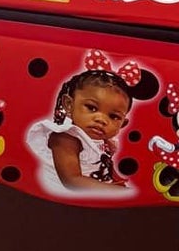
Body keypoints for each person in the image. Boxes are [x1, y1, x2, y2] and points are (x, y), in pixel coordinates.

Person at [27, 51, 147, 193]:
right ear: (69, 104)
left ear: (123, 124)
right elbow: (72, 180)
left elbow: (103, 167)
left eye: (113, 116)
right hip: (61, 200)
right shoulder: (66, 138)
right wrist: (121, 192)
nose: (101, 120)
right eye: (91, 108)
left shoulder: (103, 142)